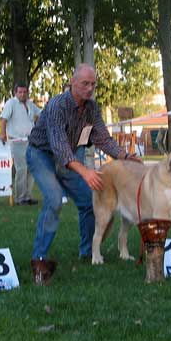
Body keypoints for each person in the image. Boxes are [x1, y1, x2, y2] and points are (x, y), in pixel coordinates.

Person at [26, 63, 142, 284]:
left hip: (68, 158)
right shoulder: (57, 105)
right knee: (53, 199)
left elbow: (103, 139)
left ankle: (89, 252)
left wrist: (125, 156)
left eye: (93, 84)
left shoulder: (92, 108)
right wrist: (85, 172)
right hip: (41, 154)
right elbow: (60, 147)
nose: (89, 89)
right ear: (73, 82)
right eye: (85, 84)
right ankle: (39, 259)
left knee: (89, 201)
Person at [0, 83, 42, 206]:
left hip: (30, 141)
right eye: (20, 92)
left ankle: (28, 196)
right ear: (15, 93)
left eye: (25, 92)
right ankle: (20, 198)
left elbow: (41, 114)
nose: (23, 94)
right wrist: (2, 133)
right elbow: (3, 119)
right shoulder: (11, 104)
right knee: (21, 169)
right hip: (17, 141)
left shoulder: (30, 104)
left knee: (31, 169)